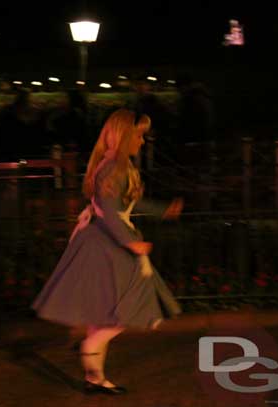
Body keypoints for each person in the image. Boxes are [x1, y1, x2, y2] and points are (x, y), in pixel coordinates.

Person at [32, 109, 183, 395]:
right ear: (124, 134)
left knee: (105, 311)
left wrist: (162, 210)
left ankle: (95, 377)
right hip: (107, 244)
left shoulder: (115, 165)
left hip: (103, 241)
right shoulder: (114, 166)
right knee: (130, 304)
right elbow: (109, 212)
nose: (142, 141)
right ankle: (90, 352)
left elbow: (125, 204)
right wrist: (130, 243)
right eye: (138, 134)